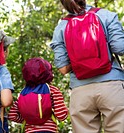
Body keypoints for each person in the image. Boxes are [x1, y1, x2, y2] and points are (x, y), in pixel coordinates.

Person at [50, 0, 124, 133]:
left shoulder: (61, 27)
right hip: (111, 85)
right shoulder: (106, 15)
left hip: (81, 91)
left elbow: (63, 68)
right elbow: (120, 48)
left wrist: (81, 60)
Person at [8, 57, 68, 133]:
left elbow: (12, 115)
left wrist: (29, 119)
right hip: (48, 130)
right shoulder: (52, 90)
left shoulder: (24, 93)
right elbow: (61, 115)